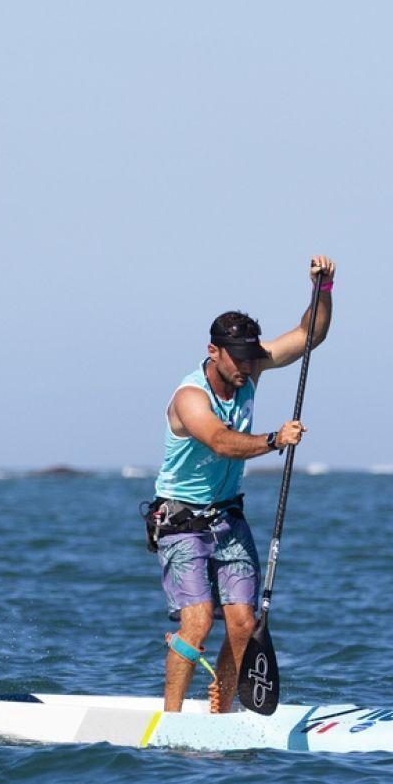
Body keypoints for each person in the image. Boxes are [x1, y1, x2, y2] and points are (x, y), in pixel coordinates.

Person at [146, 256, 335, 713]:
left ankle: (221, 711)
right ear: (214, 352)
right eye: (238, 359)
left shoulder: (248, 367)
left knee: (243, 624)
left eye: (252, 358)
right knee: (196, 623)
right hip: (181, 522)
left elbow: (310, 336)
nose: (246, 368)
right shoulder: (190, 398)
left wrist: (323, 289)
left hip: (228, 518)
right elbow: (220, 441)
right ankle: (170, 719)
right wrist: (274, 440)